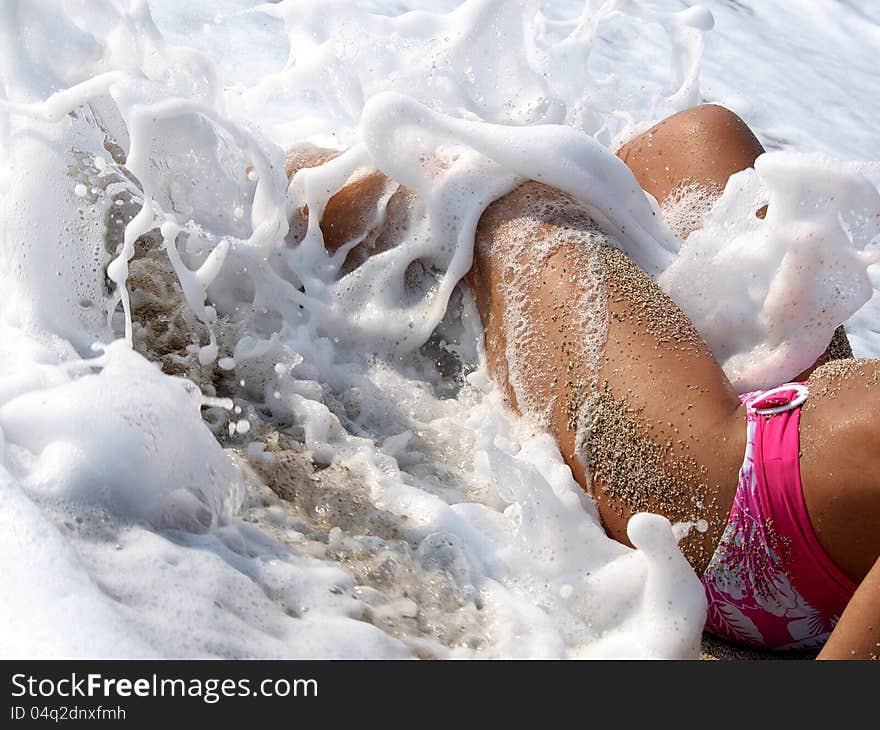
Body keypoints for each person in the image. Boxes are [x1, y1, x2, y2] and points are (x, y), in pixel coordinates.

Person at [286, 105, 880, 659]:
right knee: (700, 139)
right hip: (805, 446)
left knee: (497, 195)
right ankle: (628, 327)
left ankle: (237, 209)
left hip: (728, 499)